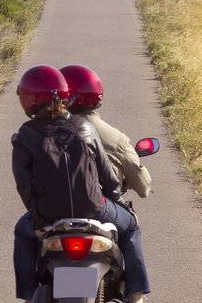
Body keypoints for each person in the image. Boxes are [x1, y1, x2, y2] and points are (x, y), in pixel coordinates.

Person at [11, 64, 152, 303]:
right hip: (95, 209)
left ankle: (29, 299)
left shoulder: (24, 136)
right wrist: (121, 205)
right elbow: (108, 178)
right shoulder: (84, 128)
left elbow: (25, 187)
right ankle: (136, 298)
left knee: (22, 232)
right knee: (131, 227)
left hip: (49, 216)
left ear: (31, 98)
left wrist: (40, 220)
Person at [60, 63, 152, 202]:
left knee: (23, 224)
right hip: (101, 208)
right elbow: (143, 188)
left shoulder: (40, 132)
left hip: (53, 210)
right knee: (131, 223)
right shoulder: (117, 139)